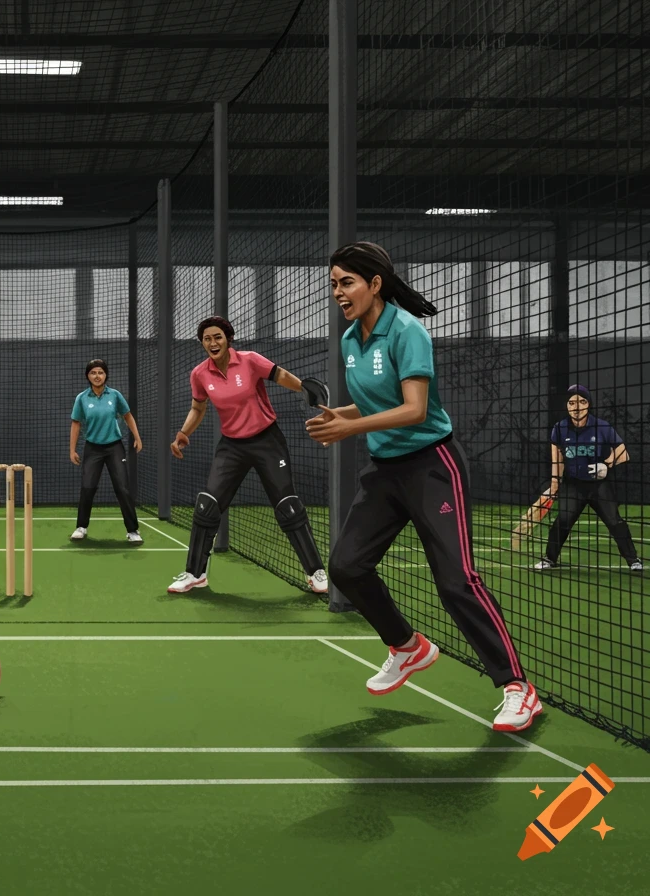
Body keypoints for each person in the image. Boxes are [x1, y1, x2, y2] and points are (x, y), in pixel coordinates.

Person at [306, 241, 540, 732]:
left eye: (346, 282)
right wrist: (340, 416)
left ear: (374, 284)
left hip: (432, 465)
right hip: (386, 469)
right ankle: (408, 647)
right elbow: (374, 406)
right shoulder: (351, 340)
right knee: (346, 566)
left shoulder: (408, 331)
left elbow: (414, 409)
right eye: (333, 284)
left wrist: (349, 429)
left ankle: (518, 688)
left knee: (457, 582)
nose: (338, 292)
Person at [167, 316, 329, 595]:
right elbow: (198, 408)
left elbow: (280, 375)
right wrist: (184, 433)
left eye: (217, 337)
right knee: (207, 506)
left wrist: (305, 389)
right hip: (232, 446)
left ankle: (315, 573)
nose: (212, 343)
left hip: (267, 441)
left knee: (288, 506)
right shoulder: (200, 374)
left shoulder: (250, 360)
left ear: (228, 338)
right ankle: (195, 574)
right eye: (207, 338)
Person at [535, 384, 641, 572]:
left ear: (588, 405)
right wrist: (554, 484)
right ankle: (549, 559)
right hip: (573, 485)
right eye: (572, 402)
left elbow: (624, 453)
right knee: (563, 521)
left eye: (582, 402)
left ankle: (633, 560)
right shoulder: (559, 429)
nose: (577, 407)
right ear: (567, 406)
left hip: (599, 484)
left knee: (614, 521)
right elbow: (557, 459)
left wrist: (606, 464)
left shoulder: (602, 426)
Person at [69, 360, 144, 543]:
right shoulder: (82, 398)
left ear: (106, 375)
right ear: (88, 376)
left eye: (100, 372)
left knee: (122, 488)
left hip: (114, 447)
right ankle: (81, 527)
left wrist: (137, 436)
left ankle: (133, 531)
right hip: (92, 448)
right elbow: (76, 423)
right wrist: (72, 450)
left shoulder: (115, 395)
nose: (97, 376)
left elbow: (127, 415)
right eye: (93, 373)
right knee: (88, 487)